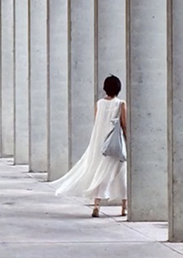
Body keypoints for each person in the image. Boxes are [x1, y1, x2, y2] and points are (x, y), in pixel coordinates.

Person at [49, 75, 127, 217]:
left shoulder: (99, 103)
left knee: (100, 173)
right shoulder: (121, 104)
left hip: (100, 144)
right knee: (121, 174)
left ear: (105, 88)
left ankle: (96, 205)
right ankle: (124, 207)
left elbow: (97, 122)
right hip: (115, 145)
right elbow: (124, 124)